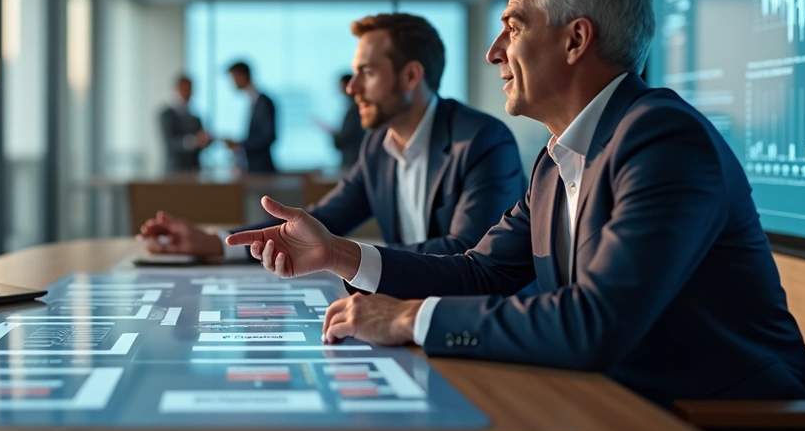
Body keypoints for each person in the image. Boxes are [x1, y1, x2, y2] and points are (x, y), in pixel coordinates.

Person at [224, 0, 805, 431]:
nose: (493, 52)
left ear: (574, 40)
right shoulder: (559, 158)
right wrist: (336, 252)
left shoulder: (662, 138)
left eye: (512, 26)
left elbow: (597, 321)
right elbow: (482, 270)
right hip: (628, 416)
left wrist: (408, 319)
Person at [140, 13, 524, 261]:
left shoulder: (482, 141)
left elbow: (468, 256)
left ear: (410, 77)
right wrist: (216, 242)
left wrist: (339, 255)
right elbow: (320, 221)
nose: (352, 88)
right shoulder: (378, 148)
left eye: (367, 73)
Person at [222, 61, 276, 173]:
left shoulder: (264, 102)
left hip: (262, 169)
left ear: (242, 76)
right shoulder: (252, 101)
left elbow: (268, 137)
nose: (233, 83)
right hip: (251, 167)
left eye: (234, 78)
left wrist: (240, 144)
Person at [158, 74, 210, 172]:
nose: (187, 92)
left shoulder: (196, 118)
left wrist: (206, 140)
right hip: (175, 170)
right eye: (184, 88)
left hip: (194, 169)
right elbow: (169, 143)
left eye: (189, 89)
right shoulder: (166, 115)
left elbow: (201, 145)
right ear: (176, 89)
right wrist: (192, 141)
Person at [317, 73, 364, 169]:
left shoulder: (355, 110)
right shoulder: (352, 108)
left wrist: (329, 130)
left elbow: (344, 138)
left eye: (341, 85)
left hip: (352, 160)